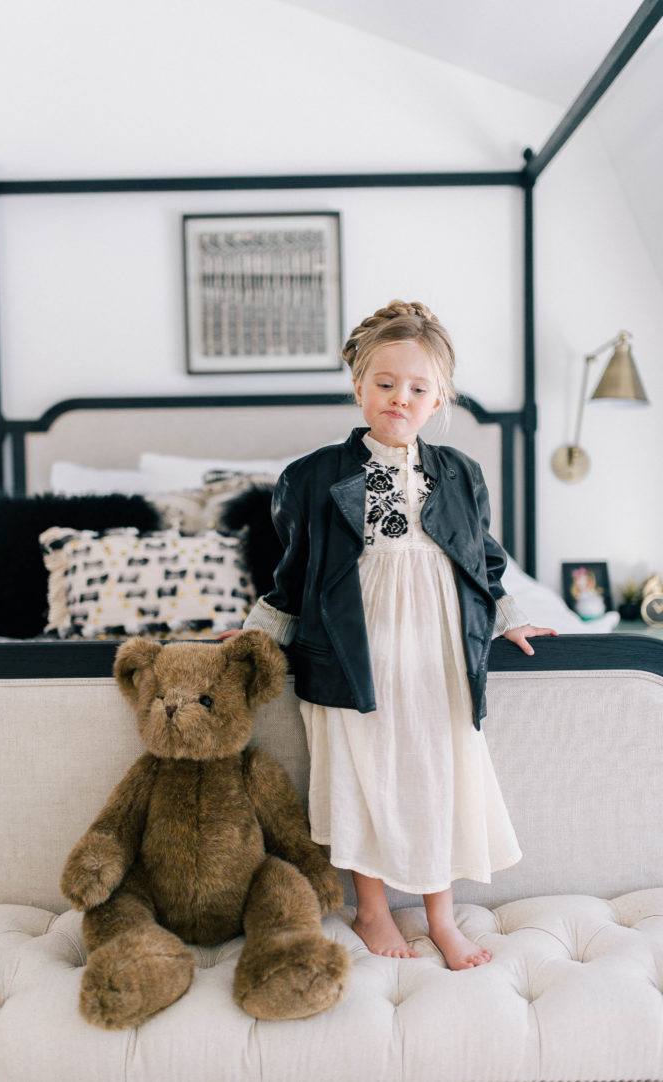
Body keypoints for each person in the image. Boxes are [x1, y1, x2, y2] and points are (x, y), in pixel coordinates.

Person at [237, 299, 556, 968]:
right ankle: (373, 911)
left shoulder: (461, 475)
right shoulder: (312, 477)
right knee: (363, 773)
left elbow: (484, 562)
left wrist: (510, 617)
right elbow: (290, 576)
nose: (399, 398)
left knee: (436, 769)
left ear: (439, 399)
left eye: (417, 388)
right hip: (352, 648)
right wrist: (254, 638)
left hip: (436, 648)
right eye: (384, 383)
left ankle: (442, 918)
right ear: (359, 386)